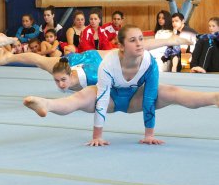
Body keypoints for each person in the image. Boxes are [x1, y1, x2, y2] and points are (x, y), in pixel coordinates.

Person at [22, 25, 219, 146]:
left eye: (141, 39)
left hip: (136, 100)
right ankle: (47, 104)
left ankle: (214, 98)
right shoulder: (108, 63)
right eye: (133, 40)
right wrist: (97, 135)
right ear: (122, 46)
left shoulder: (150, 63)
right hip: (110, 101)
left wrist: (149, 134)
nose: (140, 43)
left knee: (170, 92)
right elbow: (102, 99)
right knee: (82, 97)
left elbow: (149, 97)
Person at [0, 35, 192, 92]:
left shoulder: (116, 62)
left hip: (95, 59)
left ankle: (171, 40)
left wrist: (171, 41)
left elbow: (142, 45)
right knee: (39, 60)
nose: (60, 85)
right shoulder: (65, 69)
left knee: (136, 48)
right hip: (81, 60)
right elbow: (35, 58)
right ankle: (7, 57)